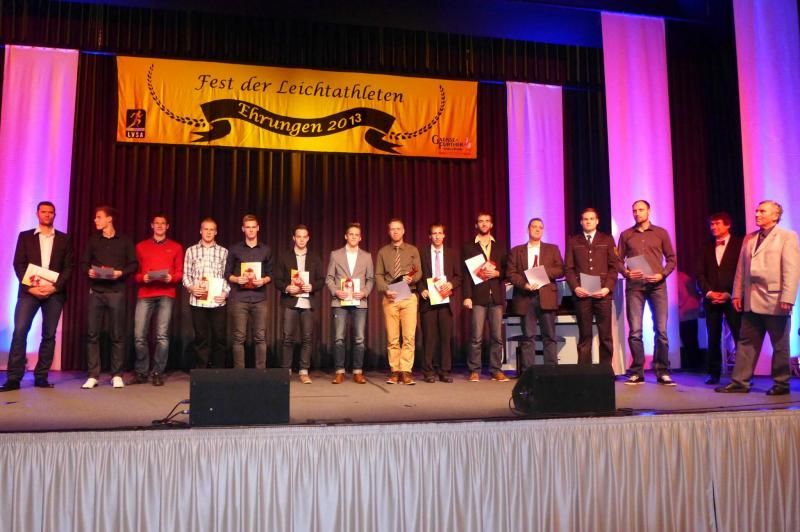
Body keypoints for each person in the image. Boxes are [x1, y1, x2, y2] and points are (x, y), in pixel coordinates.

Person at [716, 200, 800, 395]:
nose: (757, 214)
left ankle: (781, 384)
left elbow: (792, 269)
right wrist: (737, 294)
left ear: (775, 216)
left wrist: (788, 297)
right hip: (751, 299)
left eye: (762, 211)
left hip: (775, 299)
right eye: (756, 211)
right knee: (746, 342)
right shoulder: (750, 238)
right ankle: (740, 382)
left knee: (779, 344)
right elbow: (741, 268)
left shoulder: (787, 236)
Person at [0, 202, 74, 392]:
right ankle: (13, 378)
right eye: (43, 212)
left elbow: (68, 267)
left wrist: (55, 287)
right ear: (37, 214)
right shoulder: (25, 236)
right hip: (29, 293)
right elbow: (19, 264)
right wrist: (29, 287)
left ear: (54, 215)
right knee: (20, 332)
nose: (47, 215)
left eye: (50, 212)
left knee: (49, 335)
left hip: (54, 293)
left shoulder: (64, 239)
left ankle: (41, 376)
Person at [618, 199, 677, 386]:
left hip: (657, 286)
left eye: (641, 210)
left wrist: (662, 274)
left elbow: (672, 259)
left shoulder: (661, 233)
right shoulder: (626, 235)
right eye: (634, 210)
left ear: (649, 211)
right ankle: (637, 371)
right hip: (635, 287)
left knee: (661, 330)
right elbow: (618, 260)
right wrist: (626, 272)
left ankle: (662, 371)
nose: (637, 213)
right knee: (635, 331)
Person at [81, 205, 138, 389]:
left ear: (109, 219)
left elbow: (134, 264)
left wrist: (120, 273)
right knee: (92, 334)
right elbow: (83, 263)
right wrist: (89, 271)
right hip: (96, 291)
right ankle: (93, 375)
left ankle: (117, 374)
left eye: (99, 217)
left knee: (117, 334)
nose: (95, 220)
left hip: (116, 291)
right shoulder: (93, 240)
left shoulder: (125, 240)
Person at [131, 213, 183, 386]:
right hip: (145, 294)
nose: (160, 226)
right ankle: (141, 372)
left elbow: (179, 272)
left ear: (167, 226)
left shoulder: (176, 247)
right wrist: (142, 278)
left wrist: (171, 278)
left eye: (163, 223)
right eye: (157, 223)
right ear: (152, 226)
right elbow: (135, 272)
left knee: (162, 336)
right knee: (139, 335)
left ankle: (158, 372)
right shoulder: (141, 246)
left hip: (166, 294)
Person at [507, 218, 565, 370]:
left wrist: (542, 273)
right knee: (528, 337)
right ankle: (529, 372)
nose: (537, 229)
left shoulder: (552, 249)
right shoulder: (517, 250)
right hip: (525, 297)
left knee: (549, 336)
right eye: (534, 227)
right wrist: (524, 284)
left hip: (546, 296)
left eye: (540, 227)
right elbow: (511, 273)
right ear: (528, 229)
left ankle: (551, 371)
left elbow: (561, 270)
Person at [564, 208, 618, 366]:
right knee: (585, 335)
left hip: (603, 294)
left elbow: (613, 267)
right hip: (582, 295)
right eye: (585, 219)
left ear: (597, 221)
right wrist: (575, 288)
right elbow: (568, 268)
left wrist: (607, 288)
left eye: (591, 219)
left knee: (605, 335)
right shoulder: (573, 240)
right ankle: (584, 371)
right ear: (581, 222)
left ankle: (605, 370)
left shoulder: (607, 239)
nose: (588, 221)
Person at [695, 212, 742, 385]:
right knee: (713, 336)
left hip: (733, 298)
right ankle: (713, 373)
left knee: (738, 335)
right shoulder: (706, 246)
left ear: (728, 225)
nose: (713, 227)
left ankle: (742, 374)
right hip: (711, 298)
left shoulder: (740, 244)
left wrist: (730, 293)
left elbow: (742, 271)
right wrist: (708, 292)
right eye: (712, 224)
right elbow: (700, 273)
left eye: (717, 224)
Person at [274, 225, 325, 384]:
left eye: (304, 237)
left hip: (307, 303)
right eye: (298, 236)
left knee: (307, 339)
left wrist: (312, 287)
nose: (301, 240)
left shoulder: (315, 258)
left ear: (308, 238)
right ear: (294, 238)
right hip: (290, 301)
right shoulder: (285, 257)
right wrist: (287, 287)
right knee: (287, 338)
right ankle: (286, 370)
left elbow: (321, 280)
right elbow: (277, 280)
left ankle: (304, 371)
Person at [326, 222, 374, 384]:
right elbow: (329, 278)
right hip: (340, 301)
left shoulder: (367, 256)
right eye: (351, 234)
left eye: (356, 235)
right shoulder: (335, 254)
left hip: (359, 301)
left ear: (360, 238)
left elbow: (371, 279)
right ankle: (339, 371)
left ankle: (357, 371)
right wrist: (336, 291)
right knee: (339, 337)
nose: (353, 237)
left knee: (359, 338)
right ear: (346, 236)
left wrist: (365, 292)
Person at [376, 218, 422, 385]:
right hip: (391, 296)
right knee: (393, 338)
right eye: (392, 229)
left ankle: (406, 371)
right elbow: (378, 275)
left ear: (403, 231)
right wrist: (386, 290)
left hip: (409, 295)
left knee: (408, 337)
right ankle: (395, 370)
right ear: (389, 232)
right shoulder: (383, 252)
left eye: (398, 229)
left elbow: (419, 272)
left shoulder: (412, 250)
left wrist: (412, 279)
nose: (395, 232)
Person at [462, 212, 508, 381]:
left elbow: (508, 270)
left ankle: (496, 370)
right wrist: (467, 296)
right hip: (478, 296)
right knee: (476, 336)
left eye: (487, 221)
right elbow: (466, 275)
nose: (484, 224)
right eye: (481, 221)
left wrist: (498, 273)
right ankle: (475, 369)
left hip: (496, 296)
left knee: (497, 337)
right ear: (476, 225)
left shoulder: (500, 246)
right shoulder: (469, 247)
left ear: (491, 225)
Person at [225, 214, 273, 369]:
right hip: (240, 298)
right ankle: (240, 373)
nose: (251, 230)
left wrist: (263, 280)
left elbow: (271, 274)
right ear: (243, 229)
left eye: (253, 227)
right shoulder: (235, 249)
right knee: (239, 337)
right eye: (248, 227)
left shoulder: (266, 250)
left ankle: (260, 373)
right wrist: (237, 279)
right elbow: (227, 273)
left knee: (260, 337)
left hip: (260, 299)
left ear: (258, 228)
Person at [183, 218, 230, 370]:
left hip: (218, 301)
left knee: (219, 338)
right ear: (200, 231)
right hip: (198, 301)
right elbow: (186, 275)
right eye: (206, 229)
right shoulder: (191, 250)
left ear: (216, 232)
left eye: (212, 230)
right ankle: (201, 371)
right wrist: (191, 288)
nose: (208, 232)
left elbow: (228, 275)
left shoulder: (224, 252)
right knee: (201, 338)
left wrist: (225, 293)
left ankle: (218, 371)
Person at [417, 223, 461, 383]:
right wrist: (422, 289)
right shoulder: (421, 253)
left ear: (444, 235)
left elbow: (459, 276)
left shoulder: (452, 253)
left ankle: (445, 371)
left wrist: (451, 284)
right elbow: (417, 276)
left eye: (439, 233)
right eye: (434, 233)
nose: (437, 236)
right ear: (430, 236)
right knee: (429, 337)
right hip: (428, 300)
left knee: (445, 337)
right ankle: (428, 371)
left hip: (445, 301)